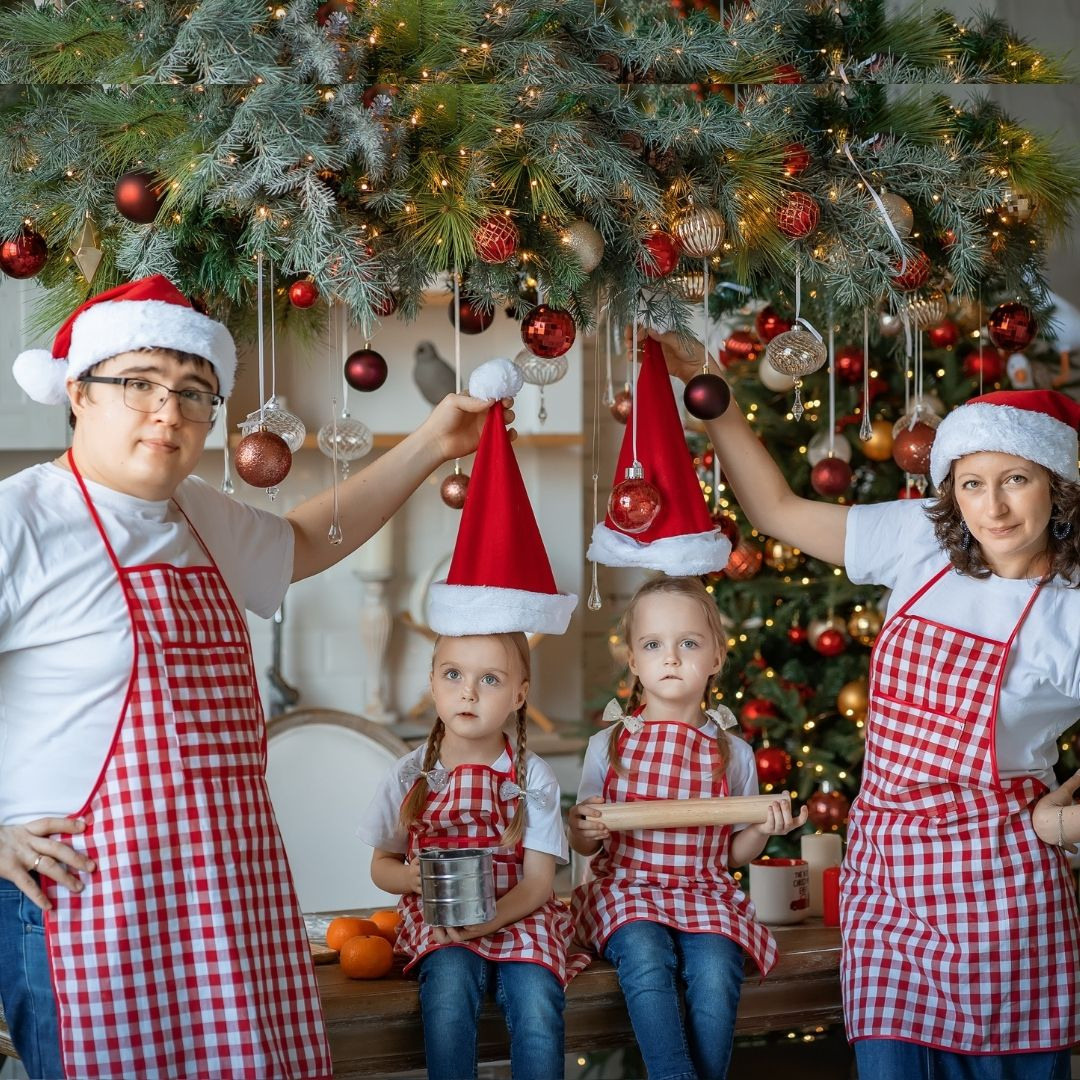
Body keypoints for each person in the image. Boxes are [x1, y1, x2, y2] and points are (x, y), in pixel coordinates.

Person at [0, 275, 510, 1080]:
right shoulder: (19, 519)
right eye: (138, 384)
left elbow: (306, 541)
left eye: (194, 392)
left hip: (225, 892)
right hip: (90, 906)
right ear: (77, 391)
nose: (169, 411)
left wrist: (432, 445)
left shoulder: (198, 513)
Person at [653, 326, 1080, 1080]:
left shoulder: (1069, 612)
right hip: (889, 880)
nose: (995, 509)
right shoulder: (919, 541)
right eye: (974, 483)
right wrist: (711, 395)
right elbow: (779, 511)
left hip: (1005, 893)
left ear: (1058, 483)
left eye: (1017, 480)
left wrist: (1070, 821)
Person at [569, 576, 807, 1080]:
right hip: (627, 891)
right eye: (653, 644)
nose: (671, 657)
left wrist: (764, 826)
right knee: (645, 957)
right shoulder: (608, 746)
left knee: (718, 969)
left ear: (716, 657)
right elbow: (584, 842)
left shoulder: (732, 752)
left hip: (704, 891)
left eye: (689, 643)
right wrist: (585, 826)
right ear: (634, 661)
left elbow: (733, 854)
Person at [359, 632, 586, 1080]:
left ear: (519, 694)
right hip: (440, 920)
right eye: (453, 674)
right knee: (448, 989)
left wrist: (491, 919)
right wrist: (410, 881)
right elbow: (381, 866)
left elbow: (539, 883)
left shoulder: (531, 775)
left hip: (519, 913)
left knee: (537, 996)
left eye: (490, 679)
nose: (468, 691)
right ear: (432, 682)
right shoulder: (409, 772)